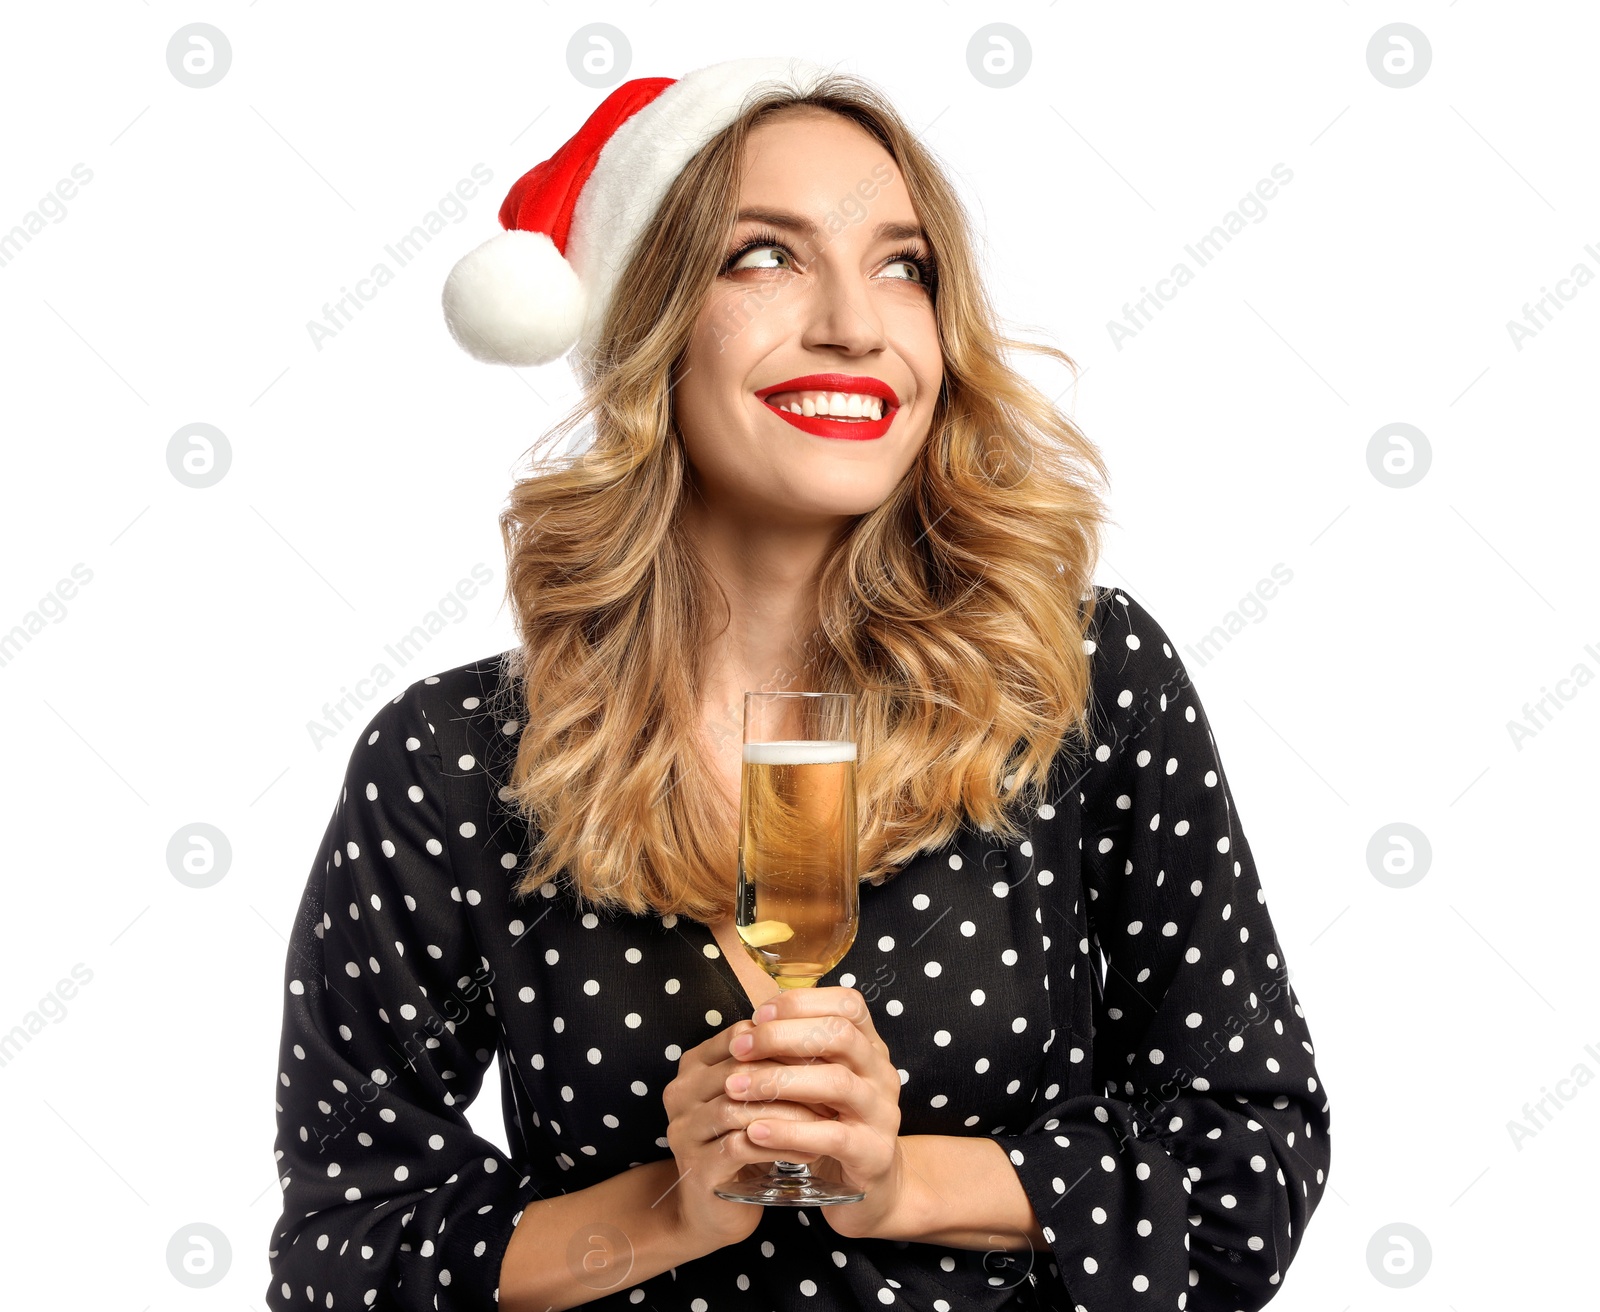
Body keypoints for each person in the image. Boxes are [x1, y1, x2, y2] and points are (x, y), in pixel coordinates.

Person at [264, 57, 1332, 1312]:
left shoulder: (1079, 683)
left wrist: (899, 1186)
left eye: (903, 265)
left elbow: (1247, 1161)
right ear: (642, 323)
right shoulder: (456, 756)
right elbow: (344, 1248)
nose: (854, 324)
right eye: (763, 256)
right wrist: (670, 1208)